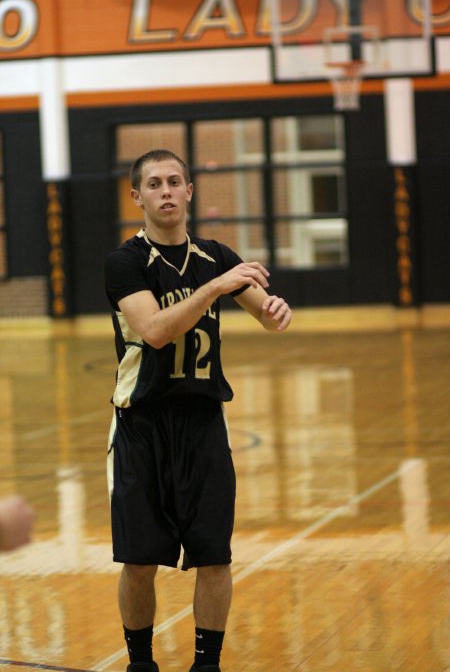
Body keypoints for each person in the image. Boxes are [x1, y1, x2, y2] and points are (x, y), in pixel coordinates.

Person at [104, 149, 292, 672]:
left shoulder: (217, 255)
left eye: (174, 182)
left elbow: (266, 315)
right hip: (141, 424)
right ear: (137, 196)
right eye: (154, 184)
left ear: (189, 191)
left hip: (203, 423)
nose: (166, 191)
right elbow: (157, 331)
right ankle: (140, 663)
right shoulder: (125, 262)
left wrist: (276, 310)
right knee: (140, 561)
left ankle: (206, 665)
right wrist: (216, 287)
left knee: (214, 555)